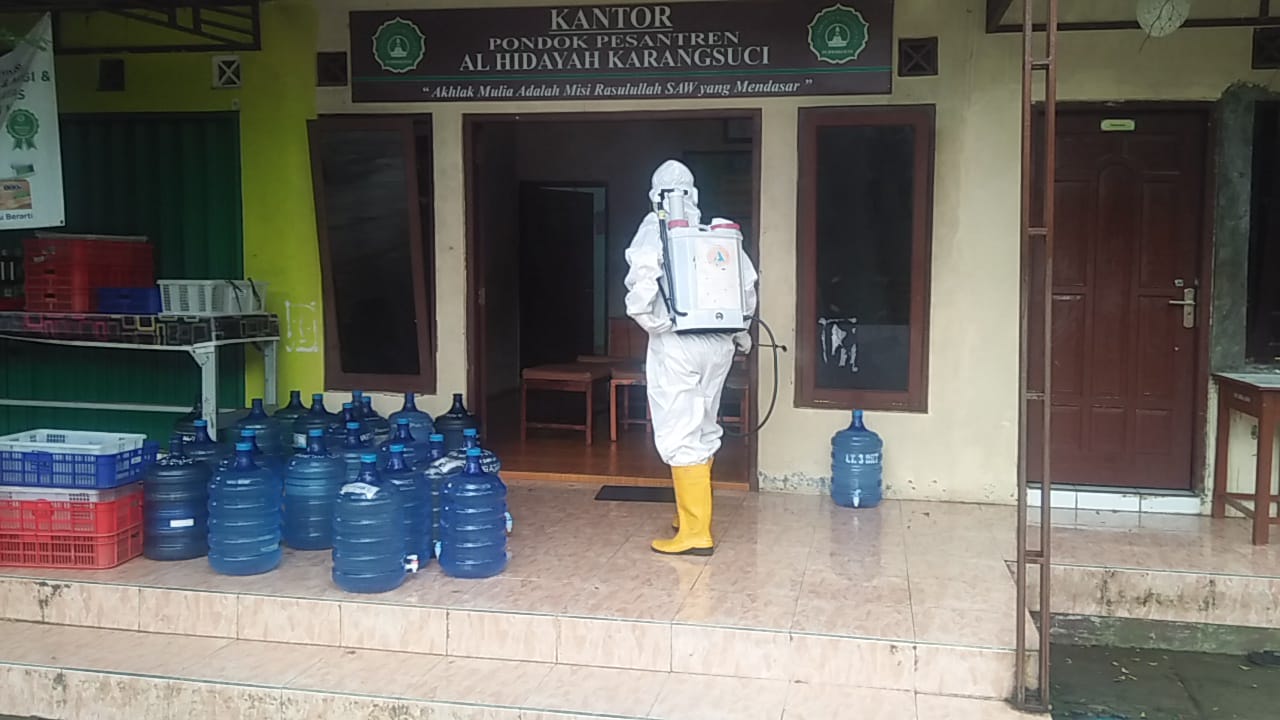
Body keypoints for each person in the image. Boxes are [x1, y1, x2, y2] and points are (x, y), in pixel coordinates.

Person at [623, 159, 758, 556]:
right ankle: (690, 516)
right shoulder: (716, 233)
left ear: (653, 194)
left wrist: (652, 323)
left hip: (678, 341)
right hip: (718, 343)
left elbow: (642, 282)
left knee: (679, 429)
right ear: (695, 194)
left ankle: (696, 532)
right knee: (702, 426)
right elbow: (746, 286)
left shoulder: (657, 229)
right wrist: (740, 333)